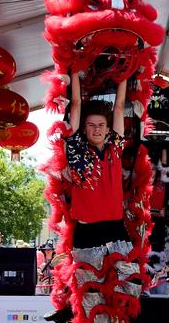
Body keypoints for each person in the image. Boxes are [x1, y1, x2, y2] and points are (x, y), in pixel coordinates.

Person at [45, 74, 134, 322]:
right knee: (90, 298)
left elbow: (119, 105)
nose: (96, 129)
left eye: (101, 125)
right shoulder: (76, 149)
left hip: (116, 229)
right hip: (87, 233)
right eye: (91, 125)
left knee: (124, 293)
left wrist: (124, 76)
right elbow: (75, 104)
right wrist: (74, 73)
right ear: (84, 128)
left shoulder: (116, 146)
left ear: (108, 129)